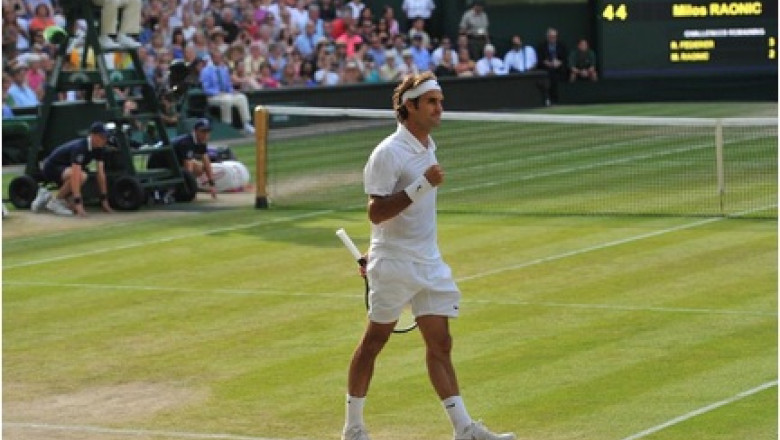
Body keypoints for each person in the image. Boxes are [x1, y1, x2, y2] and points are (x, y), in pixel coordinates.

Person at [341, 71, 516, 440]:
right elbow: (375, 212)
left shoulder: (427, 145)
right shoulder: (387, 152)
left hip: (429, 262)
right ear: (411, 107)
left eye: (440, 101)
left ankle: (463, 429)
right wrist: (422, 185)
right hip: (396, 264)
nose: (440, 108)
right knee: (374, 342)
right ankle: (353, 429)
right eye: (432, 102)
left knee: (441, 343)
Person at [32, 122, 114, 216]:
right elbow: (75, 175)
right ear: (93, 136)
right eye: (102, 137)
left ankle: (45, 195)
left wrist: (104, 200)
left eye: (106, 137)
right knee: (82, 176)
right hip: (51, 168)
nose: (105, 140)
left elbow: (101, 174)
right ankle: (55, 201)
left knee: (72, 207)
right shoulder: (80, 147)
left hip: (66, 170)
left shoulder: (99, 148)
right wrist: (78, 203)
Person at [199, 49, 256, 134]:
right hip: (212, 97)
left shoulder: (224, 69)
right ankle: (227, 126)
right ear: (212, 58)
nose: (219, 59)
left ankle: (246, 124)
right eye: (217, 57)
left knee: (241, 97)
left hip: (226, 95)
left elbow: (228, 85)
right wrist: (217, 92)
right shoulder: (205, 71)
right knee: (227, 100)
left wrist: (232, 91)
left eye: (220, 57)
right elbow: (205, 89)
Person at [170, 118, 217, 199]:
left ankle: (184, 186)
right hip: (162, 163)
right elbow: (188, 166)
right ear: (195, 131)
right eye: (203, 131)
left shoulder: (201, 141)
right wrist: (190, 189)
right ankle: (181, 189)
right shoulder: (186, 142)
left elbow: (206, 161)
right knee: (192, 164)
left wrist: (212, 184)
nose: (206, 134)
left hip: (175, 163)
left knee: (200, 167)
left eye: (207, 132)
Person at [536, 27, 567, 104]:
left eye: (554, 37)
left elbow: (565, 58)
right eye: (551, 37)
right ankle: (548, 99)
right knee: (549, 75)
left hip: (559, 68)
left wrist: (560, 62)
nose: (553, 38)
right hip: (546, 69)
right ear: (547, 37)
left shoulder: (562, 45)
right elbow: (540, 59)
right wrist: (547, 63)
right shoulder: (541, 46)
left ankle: (558, 99)